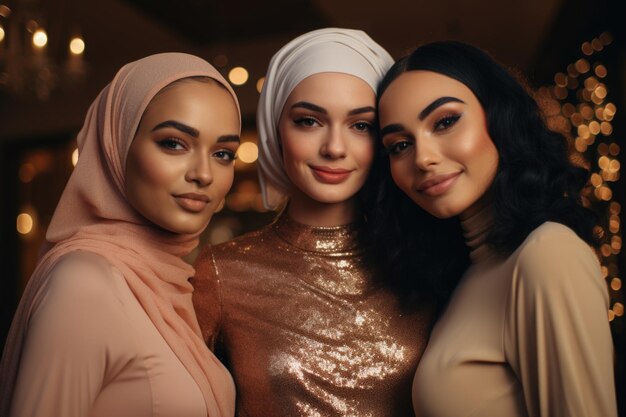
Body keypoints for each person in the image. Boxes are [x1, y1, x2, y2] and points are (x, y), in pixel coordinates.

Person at [192, 28, 434, 416]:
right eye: (309, 121)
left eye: (361, 126)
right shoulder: (223, 272)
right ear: (276, 132)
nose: (335, 148)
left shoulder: (425, 263)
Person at [370, 40, 617, 417]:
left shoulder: (547, 254)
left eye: (445, 122)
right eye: (400, 145)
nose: (422, 158)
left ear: (498, 116)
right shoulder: (469, 272)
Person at [0, 52, 241, 417]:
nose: (204, 174)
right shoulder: (83, 283)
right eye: (174, 143)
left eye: (223, 153)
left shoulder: (170, 286)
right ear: (118, 144)